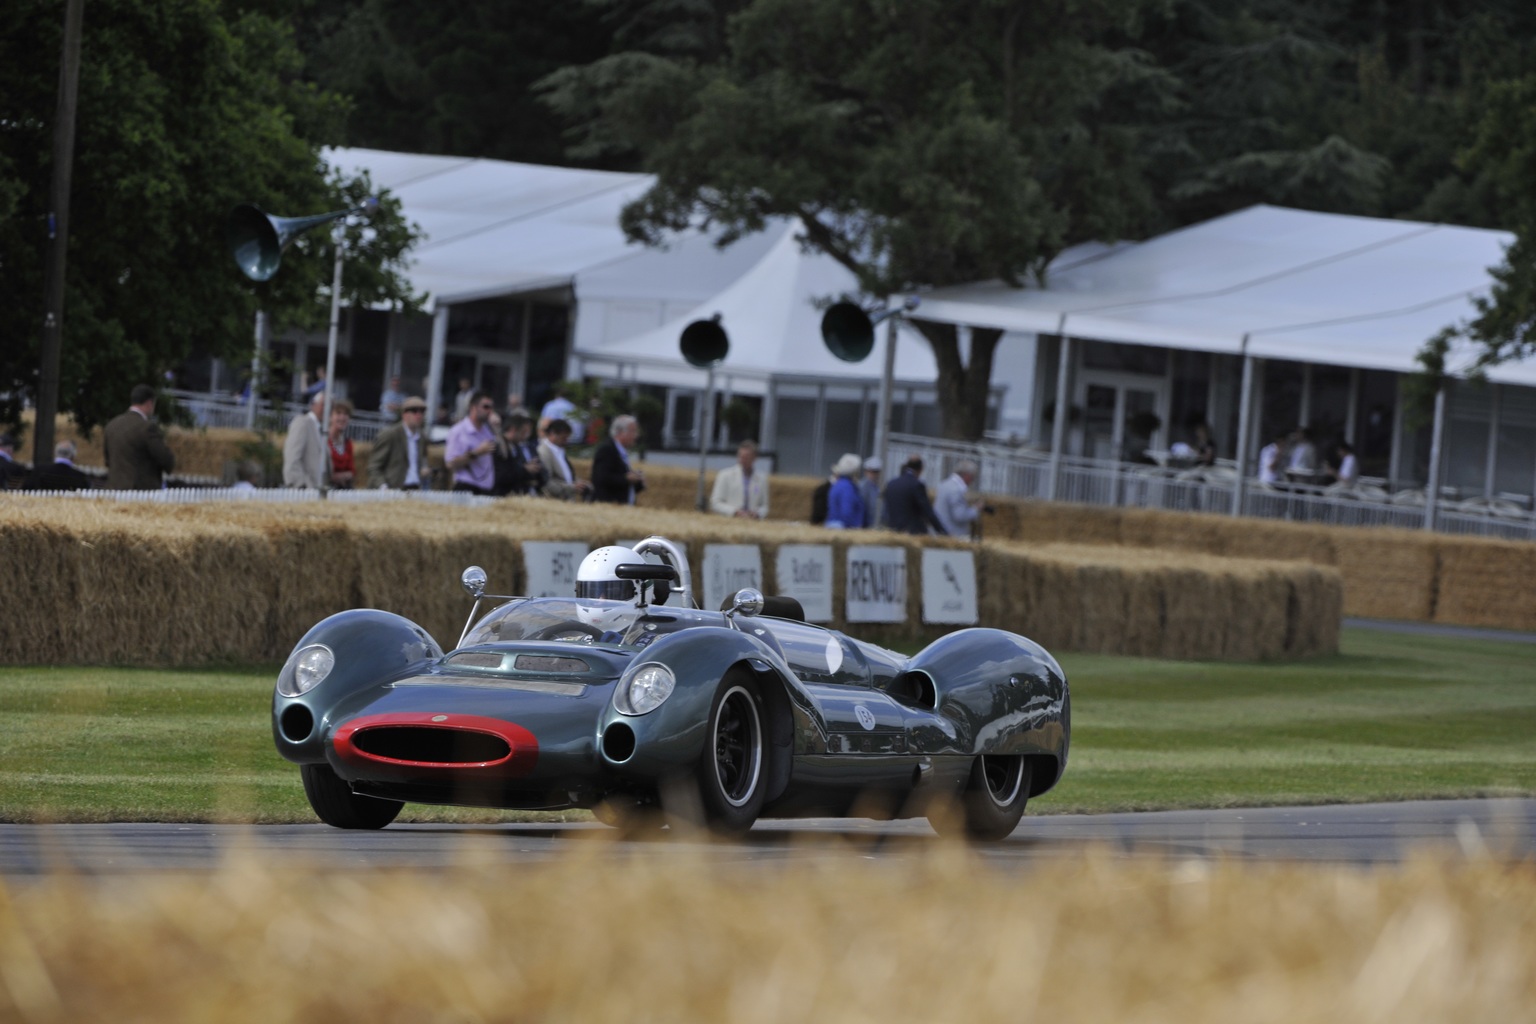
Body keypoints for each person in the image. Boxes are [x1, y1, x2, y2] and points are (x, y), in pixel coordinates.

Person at [104, 384, 176, 490]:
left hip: (114, 490)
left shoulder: (111, 425)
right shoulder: (147, 428)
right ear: (149, 403)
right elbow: (166, 459)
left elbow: (107, 461)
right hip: (140, 493)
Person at [368, 396, 430, 490]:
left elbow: (423, 459)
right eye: (414, 411)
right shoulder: (390, 434)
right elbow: (374, 466)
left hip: (415, 488)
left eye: (422, 411)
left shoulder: (422, 437)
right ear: (404, 414)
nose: (419, 415)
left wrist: (424, 468)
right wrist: (383, 486)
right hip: (392, 489)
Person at [445, 390, 498, 495]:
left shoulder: (488, 432)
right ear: (473, 408)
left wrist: (497, 428)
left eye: (491, 408)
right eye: (486, 407)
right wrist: (476, 453)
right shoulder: (458, 431)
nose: (489, 411)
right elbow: (450, 464)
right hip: (466, 486)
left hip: (486, 488)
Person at [591, 414, 645, 504]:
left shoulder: (621, 451)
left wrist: (638, 482)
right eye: (633, 431)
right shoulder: (607, 450)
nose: (636, 435)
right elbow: (601, 478)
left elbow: (626, 486)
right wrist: (627, 478)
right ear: (621, 432)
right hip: (609, 506)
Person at [883, 456, 945, 535]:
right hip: (912, 533)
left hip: (893, 531)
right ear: (921, 469)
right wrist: (942, 531)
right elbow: (927, 511)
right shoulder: (917, 485)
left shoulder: (891, 484)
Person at [492, 409, 547, 497]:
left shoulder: (514, 446)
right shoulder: (499, 445)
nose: (524, 436)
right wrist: (525, 469)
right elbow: (501, 474)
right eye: (523, 432)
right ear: (513, 430)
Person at [709, 440, 769, 519]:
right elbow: (715, 503)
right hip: (730, 522)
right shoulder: (725, 475)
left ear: (754, 458)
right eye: (741, 457)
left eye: (747, 457)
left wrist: (758, 513)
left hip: (752, 523)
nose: (742, 460)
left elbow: (764, 506)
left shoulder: (761, 478)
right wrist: (734, 512)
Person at [538, 418, 592, 501]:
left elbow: (567, 476)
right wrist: (571, 487)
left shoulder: (559, 450)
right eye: (563, 438)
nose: (566, 441)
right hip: (554, 500)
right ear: (552, 434)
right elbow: (546, 481)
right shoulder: (544, 452)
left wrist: (579, 483)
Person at [282, 392, 328, 489]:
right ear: (313, 405)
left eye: (329, 406)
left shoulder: (321, 429)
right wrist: (299, 484)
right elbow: (292, 455)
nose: (326, 409)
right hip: (304, 489)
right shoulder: (302, 422)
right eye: (323, 405)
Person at [934, 458, 983, 538]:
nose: (972, 481)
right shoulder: (956, 490)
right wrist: (976, 509)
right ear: (967, 476)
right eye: (973, 477)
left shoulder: (944, 484)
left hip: (941, 532)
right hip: (953, 535)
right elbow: (960, 516)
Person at [28, 440, 93, 491]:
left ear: (56, 453)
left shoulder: (39, 471)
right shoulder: (80, 477)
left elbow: (25, 491)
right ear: (73, 455)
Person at [823, 453, 865, 529]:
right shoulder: (847, 487)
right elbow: (846, 512)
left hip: (833, 524)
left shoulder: (837, 484)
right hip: (842, 528)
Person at [326, 398, 357, 489]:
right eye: (338, 413)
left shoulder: (347, 443)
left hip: (344, 489)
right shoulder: (323, 440)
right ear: (330, 417)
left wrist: (339, 476)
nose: (342, 418)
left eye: (346, 414)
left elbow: (352, 472)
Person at [857, 456, 883, 528]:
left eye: (875, 471)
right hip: (865, 524)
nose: (873, 474)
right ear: (866, 471)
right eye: (870, 471)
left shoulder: (878, 486)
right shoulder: (862, 486)